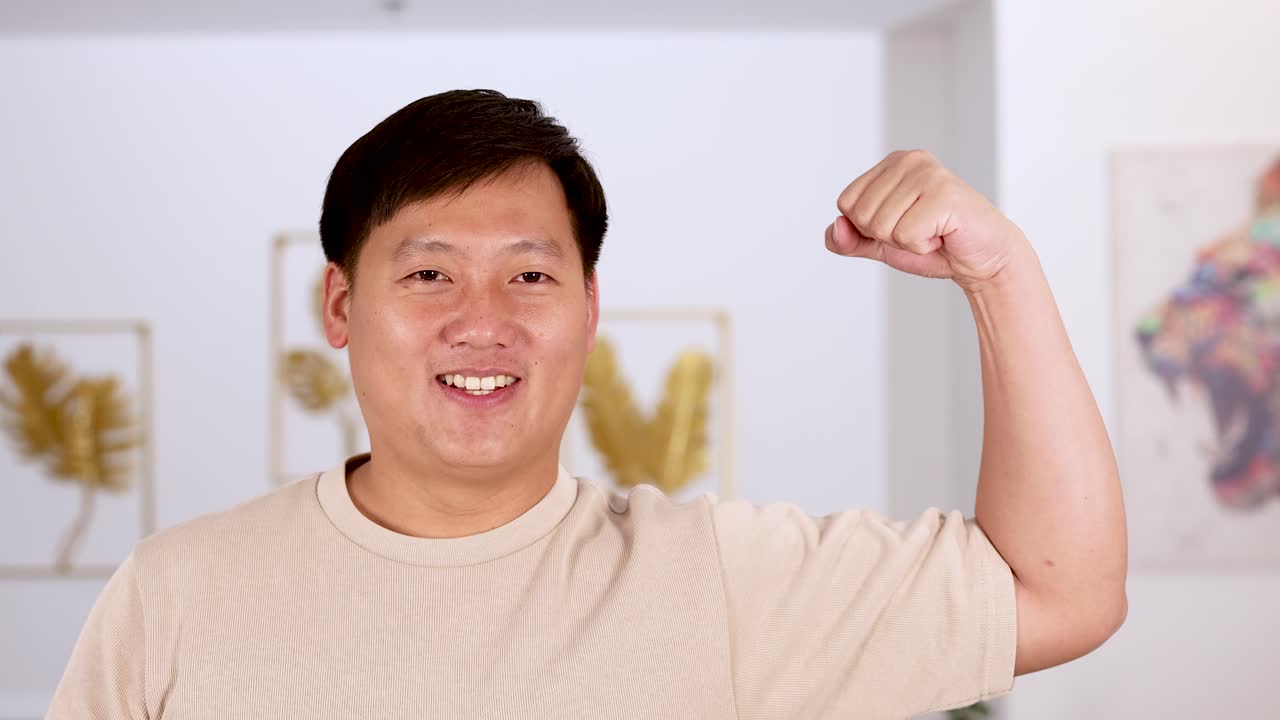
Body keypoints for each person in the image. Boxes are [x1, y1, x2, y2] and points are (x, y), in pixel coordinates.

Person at [46, 89, 1127, 719]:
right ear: (340, 304)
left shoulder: (714, 583)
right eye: (427, 275)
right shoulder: (176, 593)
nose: (483, 320)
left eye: (529, 274)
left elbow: (1061, 594)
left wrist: (1000, 273)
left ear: (588, 306)